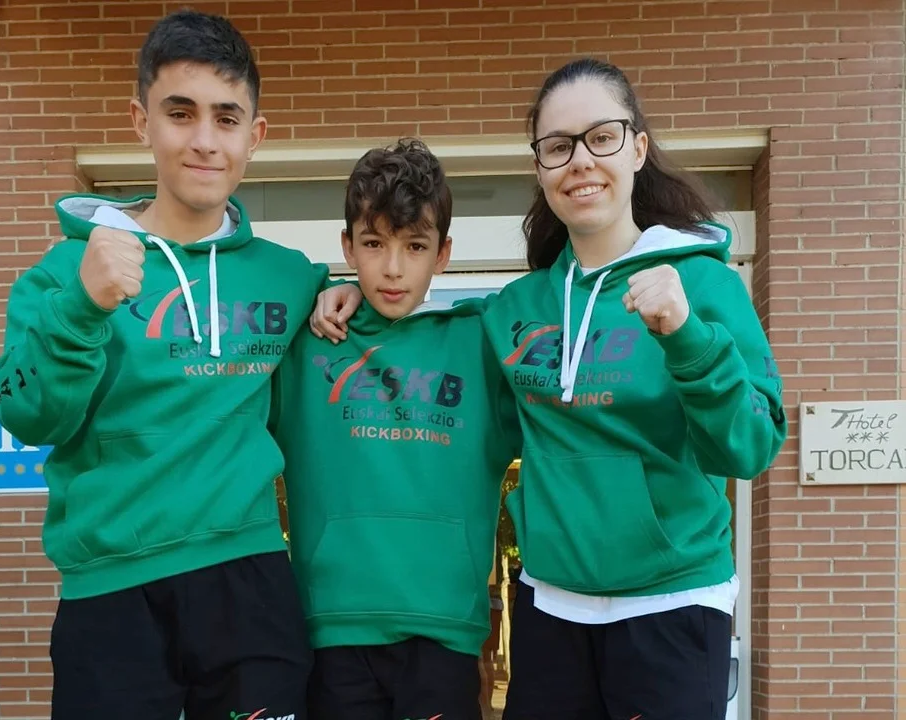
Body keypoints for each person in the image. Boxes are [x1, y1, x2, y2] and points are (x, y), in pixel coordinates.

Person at [313, 58, 787, 720]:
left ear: (637, 149)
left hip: (671, 606)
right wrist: (345, 297)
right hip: (551, 609)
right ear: (539, 166)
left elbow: (752, 447)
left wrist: (687, 337)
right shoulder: (517, 307)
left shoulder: (704, 284)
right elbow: (421, 336)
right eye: (558, 145)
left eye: (602, 137)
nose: (580, 160)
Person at [0, 10, 326, 720]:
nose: (204, 140)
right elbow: (26, 414)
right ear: (142, 122)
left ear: (255, 135)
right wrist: (82, 306)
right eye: (180, 113)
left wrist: (344, 294)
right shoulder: (64, 273)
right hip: (112, 591)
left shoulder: (291, 277)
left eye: (226, 118)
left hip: (248, 580)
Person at [270, 138, 521, 720]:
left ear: (443, 253)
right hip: (332, 628)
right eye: (374, 243)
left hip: (445, 631)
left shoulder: (481, 345)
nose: (392, 268)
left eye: (414, 246)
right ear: (347, 247)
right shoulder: (309, 343)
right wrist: (322, 293)